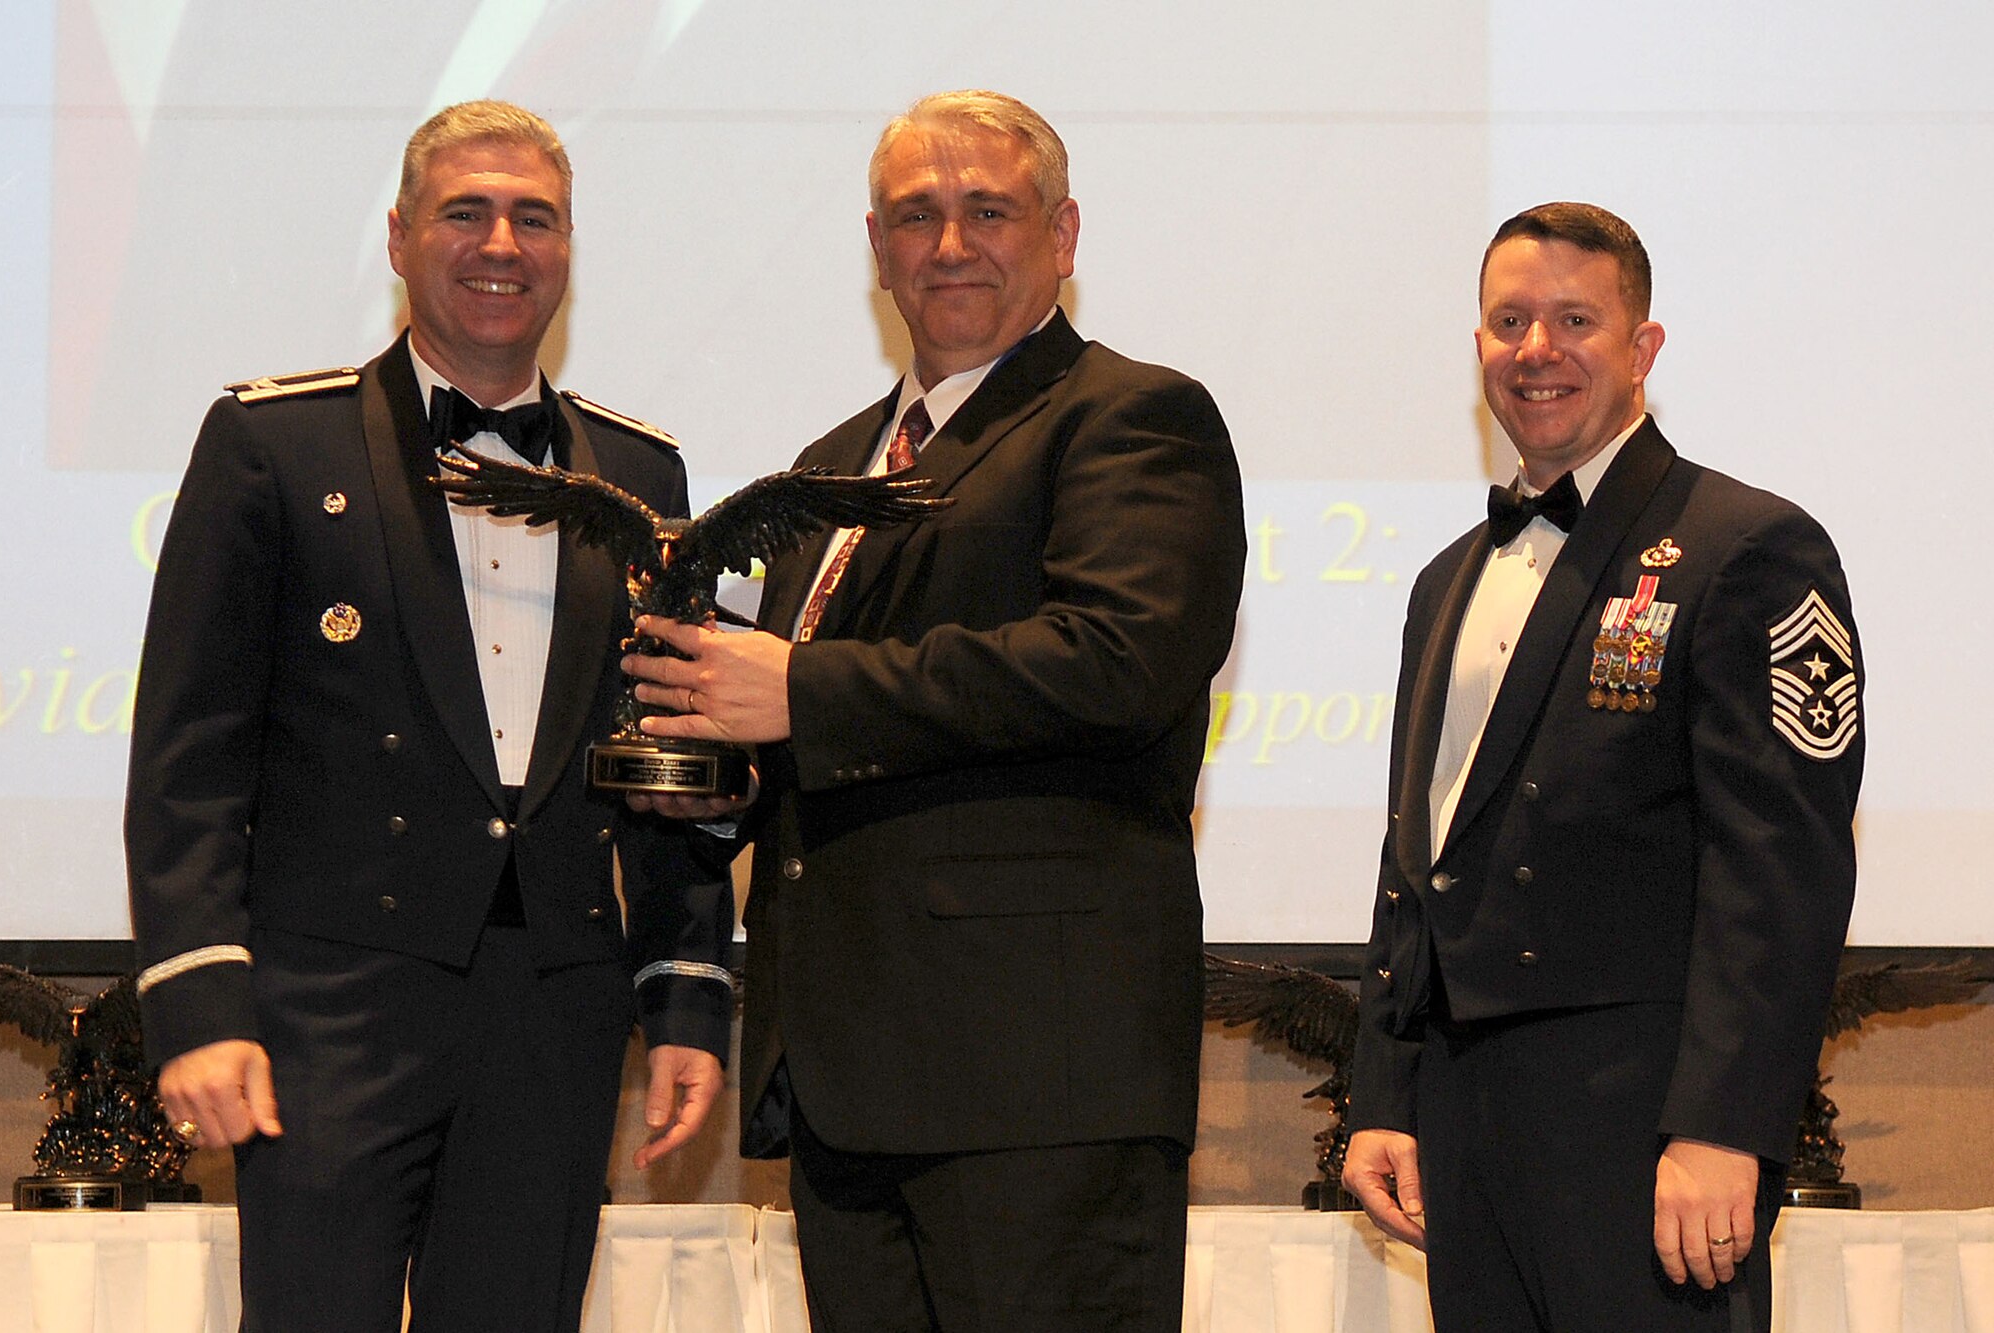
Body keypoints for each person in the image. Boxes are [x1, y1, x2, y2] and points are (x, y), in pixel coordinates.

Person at [620, 90, 1246, 1330]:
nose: (949, 243)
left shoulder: (1130, 416)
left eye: (987, 210)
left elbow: (1117, 660)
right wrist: (710, 760)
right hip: (851, 1079)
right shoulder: (835, 464)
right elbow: (818, 744)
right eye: (916, 215)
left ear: (1063, 235)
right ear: (875, 247)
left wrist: (797, 691)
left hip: (1037, 1083)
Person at [126, 100, 735, 1333]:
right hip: (326, 1008)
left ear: (568, 249)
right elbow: (190, 758)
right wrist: (200, 1005)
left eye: (534, 216)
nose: (500, 241)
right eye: (466, 211)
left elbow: (670, 757)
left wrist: (682, 991)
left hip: (555, 1012)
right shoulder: (271, 445)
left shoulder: (642, 477)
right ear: (400, 238)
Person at [1341, 202, 1863, 1331]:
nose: (1537, 350)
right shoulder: (1442, 580)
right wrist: (1384, 1092)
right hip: (1465, 1126)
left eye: (1574, 319)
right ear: (1475, 345)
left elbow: (1779, 870)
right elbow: (1416, 854)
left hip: (1644, 1132)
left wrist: (1724, 1124)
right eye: (1508, 321)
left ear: (1642, 347)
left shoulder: (1745, 546)